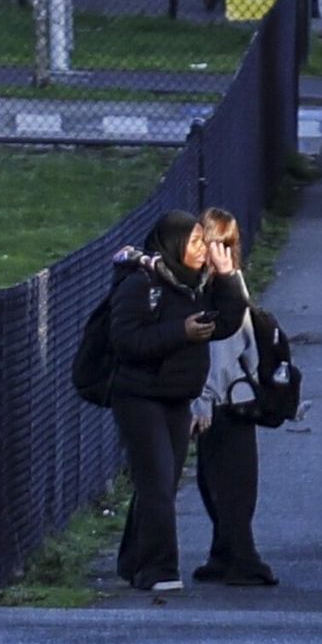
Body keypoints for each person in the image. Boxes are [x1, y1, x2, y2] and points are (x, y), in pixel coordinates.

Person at [107, 210, 246, 592]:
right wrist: (180, 332)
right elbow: (127, 341)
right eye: (196, 242)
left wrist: (228, 277)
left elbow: (228, 322)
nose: (204, 249)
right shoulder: (141, 283)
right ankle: (159, 568)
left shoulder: (198, 284)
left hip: (176, 395)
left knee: (163, 480)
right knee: (156, 481)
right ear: (174, 245)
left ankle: (134, 560)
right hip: (139, 395)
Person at [188, 208, 277, 586]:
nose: (219, 252)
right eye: (213, 244)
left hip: (229, 400)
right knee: (216, 481)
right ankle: (226, 553)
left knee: (232, 484)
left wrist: (204, 399)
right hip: (225, 397)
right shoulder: (217, 287)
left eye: (226, 244)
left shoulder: (224, 289)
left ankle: (241, 556)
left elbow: (223, 351)